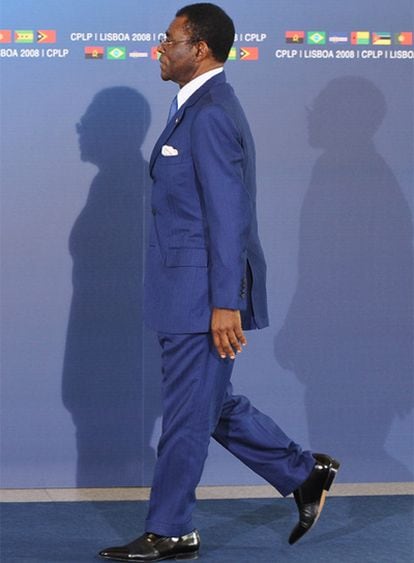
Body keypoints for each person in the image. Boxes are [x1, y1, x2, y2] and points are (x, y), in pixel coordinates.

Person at [99, 4, 339, 561]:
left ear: (199, 49)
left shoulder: (210, 114)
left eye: (170, 40)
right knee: (207, 401)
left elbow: (229, 218)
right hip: (184, 293)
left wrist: (225, 303)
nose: (160, 49)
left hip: (201, 296)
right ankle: (304, 473)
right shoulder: (194, 108)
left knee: (188, 415)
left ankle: (171, 529)